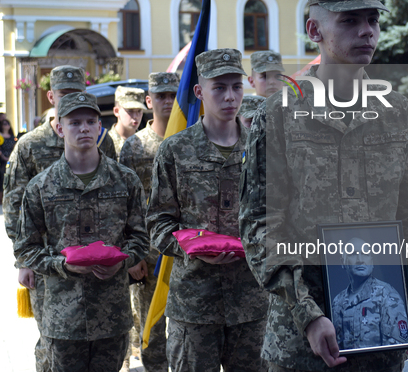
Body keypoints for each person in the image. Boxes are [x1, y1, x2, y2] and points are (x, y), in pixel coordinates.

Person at [240, 0, 408, 372]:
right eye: (349, 20)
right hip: (303, 342)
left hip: (383, 335)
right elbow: (260, 224)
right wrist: (308, 314)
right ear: (314, 29)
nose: (366, 31)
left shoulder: (396, 113)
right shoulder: (278, 115)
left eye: (373, 20)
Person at [147, 49, 268, 372]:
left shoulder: (262, 149)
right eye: (219, 87)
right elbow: (158, 224)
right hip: (194, 305)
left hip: (252, 302)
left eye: (236, 86)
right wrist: (194, 249)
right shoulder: (175, 150)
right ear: (199, 92)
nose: (230, 96)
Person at [13, 92, 149, 372]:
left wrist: (122, 262)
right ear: (60, 128)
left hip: (111, 315)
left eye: (90, 121)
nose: (84, 128)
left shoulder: (125, 181)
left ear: (100, 127)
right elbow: (27, 249)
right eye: (75, 122)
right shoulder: (41, 186)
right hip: (63, 319)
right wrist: (62, 265)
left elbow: (140, 238)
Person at [3, 65, 118, 372]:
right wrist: (23, 261)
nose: (70, 100)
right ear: (51, 96)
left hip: (98, 258)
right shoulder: (29, 145)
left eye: (77, 94)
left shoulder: (101, 140)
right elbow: (14, 204)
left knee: (102, 335)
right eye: (64, 95)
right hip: (50, 262)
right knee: (52, 340)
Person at [119, 71, 179, 372]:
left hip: (185, 254)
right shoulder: (135, 147)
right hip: (149, 256)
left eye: (173, 95)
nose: (167, 102)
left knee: (185, 333)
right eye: (161, 96)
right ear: (149, 100)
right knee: (151, 332)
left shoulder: (191, 138)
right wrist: (133, 255)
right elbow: (124, 207)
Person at [332, 238, 408, 351]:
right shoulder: (337, 302)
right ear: (343, 262)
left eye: (365, 254)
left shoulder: (387, 295)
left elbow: (397, 349)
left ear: (372, 262)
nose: (360, 260)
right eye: (353, 254)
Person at [109, 86, 147, 159]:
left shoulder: (146, 142)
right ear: (116, 111)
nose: (136, 116)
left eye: (139, 111)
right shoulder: (107, 142)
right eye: (130, 111)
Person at [0, 119, 17, 204]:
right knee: (2, 179)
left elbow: (15, 147)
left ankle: (9, 199)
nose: (6, 125)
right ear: (1, 126)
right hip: (2, 161)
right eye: (4, 124)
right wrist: (4, 157)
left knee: (11, 179)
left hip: (11, 159)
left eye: (8, 124)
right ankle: (0, 200)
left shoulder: (12, 136)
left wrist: (11, 157)